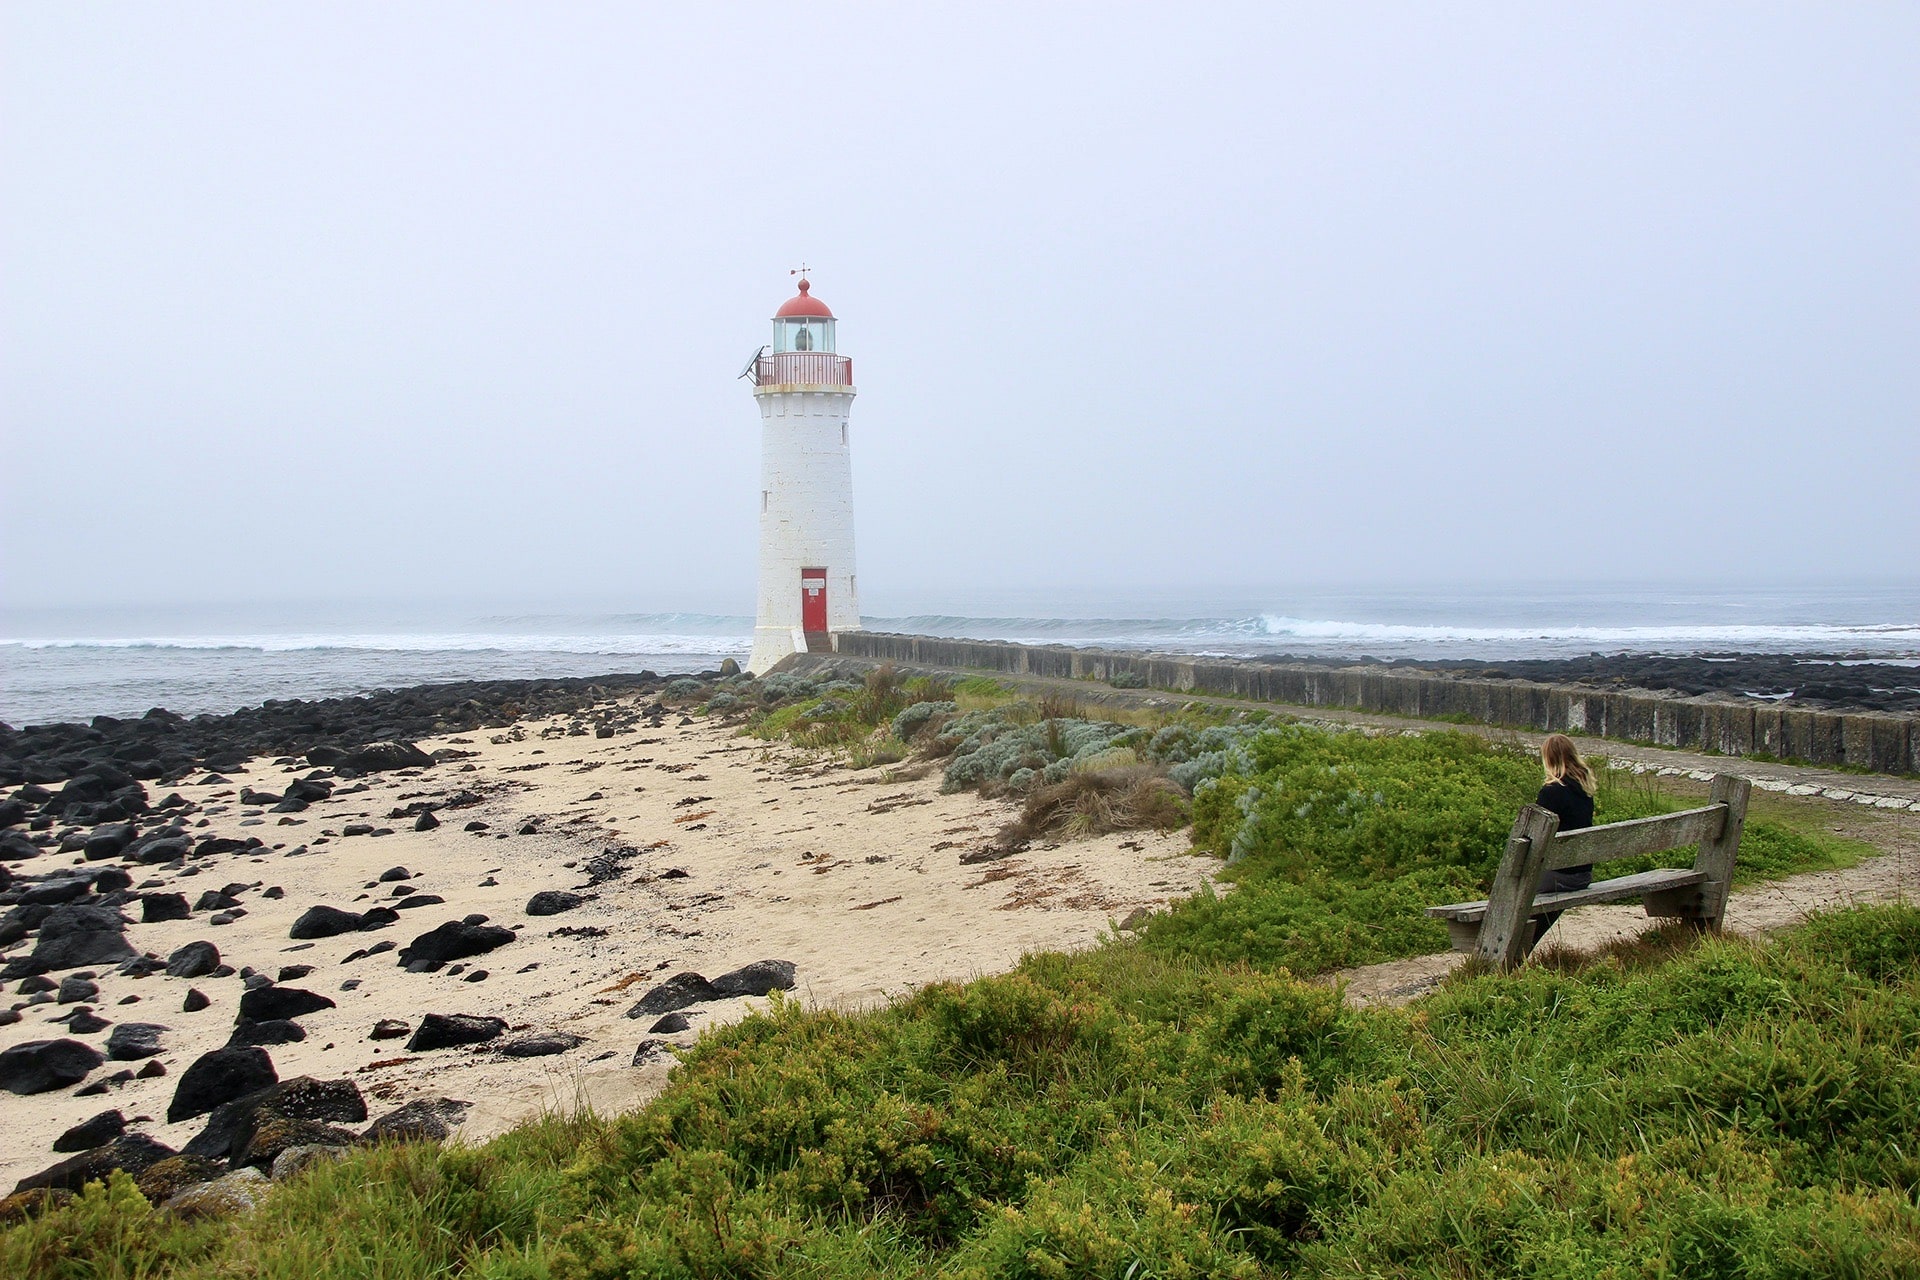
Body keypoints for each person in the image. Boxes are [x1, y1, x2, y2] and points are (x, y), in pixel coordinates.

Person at [1527, 733, 1595, 954]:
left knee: (1520, 890)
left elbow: (1534, 838)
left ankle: (1517, 949)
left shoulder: (1551, 792)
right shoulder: (1585, 790)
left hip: (1560, 876)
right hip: (1582, 874)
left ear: (1549, 759)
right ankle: (1523, 946)